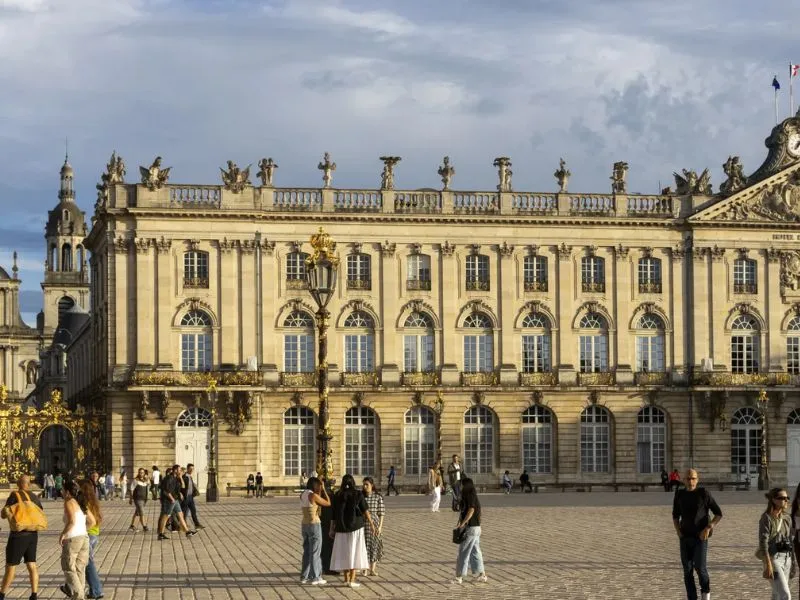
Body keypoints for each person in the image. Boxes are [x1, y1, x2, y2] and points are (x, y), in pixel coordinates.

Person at [672, 469, 722, 600]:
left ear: (697, 480)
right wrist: (678, 531)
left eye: (693, 478)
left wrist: (708, 527)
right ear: (683, 480)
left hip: (700, 537)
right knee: (687, 571)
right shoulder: (679, 494)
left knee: (700, 567)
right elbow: (675, 515)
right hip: (685, 537)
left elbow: (718, 513)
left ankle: (706, 594)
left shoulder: (703, 493)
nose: (690, 481)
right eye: (688, 479)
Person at [0, 475, 42, 600]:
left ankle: (1, 594)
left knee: (11, 566)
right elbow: (40, 511)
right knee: (32, 564)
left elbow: (4, 514)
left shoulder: (14, 495)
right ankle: (34, 595)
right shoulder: (34, 496)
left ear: (19, 483)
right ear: (28, 484)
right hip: (32, 534)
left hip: (18, 535)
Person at [329, 474, 375, 588]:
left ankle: (345, 579)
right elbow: (365, 511)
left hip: (341, 528)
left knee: (344, 553)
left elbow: (333, 515)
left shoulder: (338, 495)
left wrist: (331, 529)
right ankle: (352, 579)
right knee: (354, 552)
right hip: (356, 527)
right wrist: (372, 524)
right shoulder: (358, 494)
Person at [760, 487, 795, 600]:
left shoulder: (787, 518)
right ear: (773, 500)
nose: (786, 500)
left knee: (776, 593)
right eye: (782, 498)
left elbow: (790, 539)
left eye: (787, 498)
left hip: (787, 559)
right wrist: (768, 564)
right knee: (786, 595)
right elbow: (763, 542)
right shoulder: (766, 518)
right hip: (773, 559)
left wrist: (793, 561)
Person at [59, 480, 91, 600]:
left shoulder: (68, 502)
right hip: (84, 537)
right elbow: (91, 521)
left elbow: (72, 521)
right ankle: (79, 595)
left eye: (62, 489)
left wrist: (62, 534)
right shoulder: (79, 502)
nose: (61, 491)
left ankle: (79, 596)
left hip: (73, 538)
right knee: (79, 568)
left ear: (67, 492)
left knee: (68, 568)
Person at [451, 477, 487, 585]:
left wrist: (463, 523)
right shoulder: (471, 496)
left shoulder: (470, 496)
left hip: (471, 528)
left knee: (463, 552)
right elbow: (474, 513)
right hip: (476, 528)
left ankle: (459, 577)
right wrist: (460, 521)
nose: (460, 486)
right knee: (476, 552)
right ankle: (482, 575)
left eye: (461, 484)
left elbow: (471, 510)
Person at [299, 477, 330, 585]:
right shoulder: (313, 495)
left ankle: (304, 576)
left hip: (304, 524)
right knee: (315, 551)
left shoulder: (302, 494)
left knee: (307, 551)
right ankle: (316, 576)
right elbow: (327, 503)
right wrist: (324, 490)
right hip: (314, 524)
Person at [157, 465, 197, 540]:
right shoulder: (169, 478)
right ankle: (161, 534)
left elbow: (183, 486)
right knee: (166, 516)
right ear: (175, 470)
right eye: (179, 470)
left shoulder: (176, 478)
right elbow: (166, 491)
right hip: (169, 500)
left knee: (180, 514)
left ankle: (187, 532)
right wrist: (172, 499)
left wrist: (181, 477)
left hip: (175, 499)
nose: (181, 471)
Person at [80, 480, 103, 600]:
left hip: (88, 535)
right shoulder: (94, 501)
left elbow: (90, 521)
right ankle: (93, 590)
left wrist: (81, 530)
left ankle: (97, 590)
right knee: (85, 563)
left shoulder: (84, 503)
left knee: (88, 564)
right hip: (95, 535)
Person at [362, 477, 385, 577]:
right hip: (364, 524)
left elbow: (381, 513)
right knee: (364, 546)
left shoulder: (377, 497)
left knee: (374, 546)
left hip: (375, 524)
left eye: (367, 484)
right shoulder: (361, 497)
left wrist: (380, 526)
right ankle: (365, 568)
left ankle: (373, 569)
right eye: (364, 484)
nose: (365, 486)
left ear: (372, 485)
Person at [181, 464, 203, 529]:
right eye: (190, 469)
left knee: (193, 510)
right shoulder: (184, 477)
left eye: (192, 469)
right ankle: (184, 525)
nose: (191, 470)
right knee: (184, 512)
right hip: (186, 497)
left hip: (190, 497)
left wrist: (194, 493)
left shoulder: (190, 476)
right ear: (187, 469)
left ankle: (197, 524)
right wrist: (182, 494)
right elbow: (182, 487)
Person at [130, 468, 149, 532]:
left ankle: (132, 525)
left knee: (137, 513)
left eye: (142, 472)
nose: (141, 474)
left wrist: (147, 480)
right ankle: (144, 526)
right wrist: (131, 499)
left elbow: (149, 485)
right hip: (137, 499)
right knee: (142, 512)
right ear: (138, 473)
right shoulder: (135, 480)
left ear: (144, 473)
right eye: (140, 472)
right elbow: (131, 489)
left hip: (144, 499)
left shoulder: (145, 480)